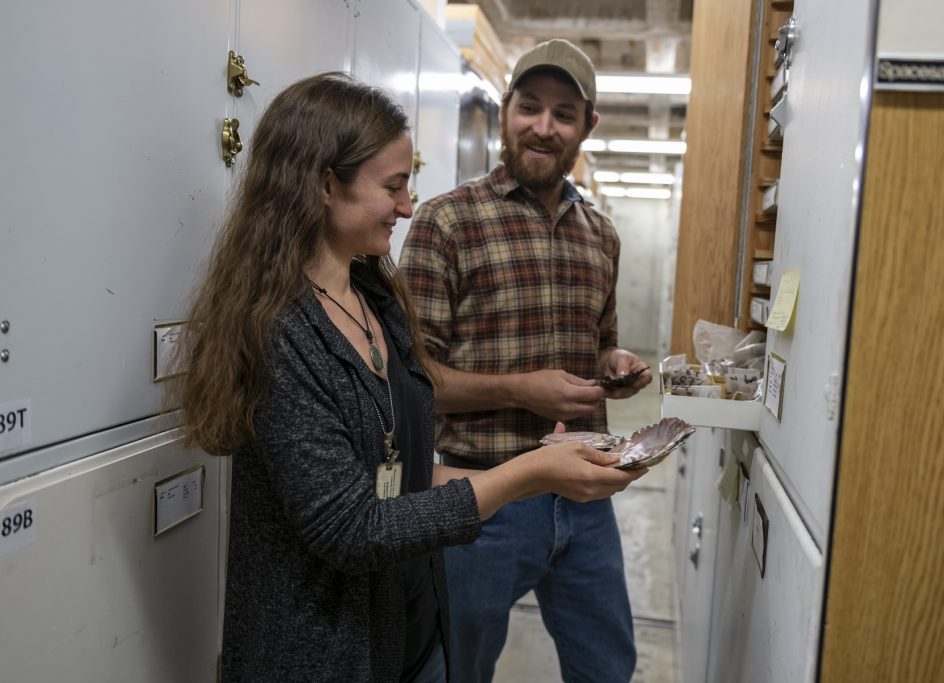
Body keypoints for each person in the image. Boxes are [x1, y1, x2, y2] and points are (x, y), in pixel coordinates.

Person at [171, 72, 646, 683]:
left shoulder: (373, 293)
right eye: (394, 186)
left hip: (402, 625)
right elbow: (351, 526)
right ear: (322, 185)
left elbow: (396, 468)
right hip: (321, 651)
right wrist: (527, 472)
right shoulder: (282, 332)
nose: (407, 204)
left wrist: (544, 471)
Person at [399, 39, 653, 683]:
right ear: (506, 108)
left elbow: (599, 345)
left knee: (607, 668)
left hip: (586, 492)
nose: (544, 126)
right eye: (530, 107)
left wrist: (613, 363)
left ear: (586, 127)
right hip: (480, 500)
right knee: (457, 668)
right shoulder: (445, 223)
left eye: (564, 113)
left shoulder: (601, 234)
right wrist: (523, 391)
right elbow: (412, 382)